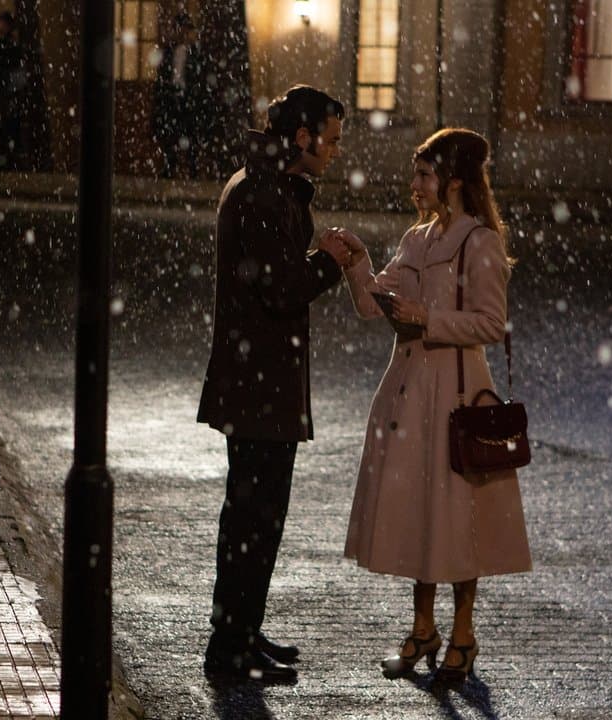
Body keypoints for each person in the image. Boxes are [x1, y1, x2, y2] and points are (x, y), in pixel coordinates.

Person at [335, 128, 532, 685]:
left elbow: (491, 324)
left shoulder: (480, 242)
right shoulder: (416, 238)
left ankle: (463, 634)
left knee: (460, 517)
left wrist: (428, 318)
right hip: (408, 391)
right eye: (416, 173)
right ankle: (423, 629)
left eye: (424, 174)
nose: (415, 184)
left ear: (454, 181)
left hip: (457, 393)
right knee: (421, 512)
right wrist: (358, 264)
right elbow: (371, 306)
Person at [196, 85, 349, 684]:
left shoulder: (268, 185)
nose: (335, 151)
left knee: (257, 518)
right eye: (330, 140)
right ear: (302, 137)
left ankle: (242, 632)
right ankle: (229, 646)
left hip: (260, 384)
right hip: (257, 387)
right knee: (253, 520)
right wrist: (328, 259)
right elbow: (282, 288)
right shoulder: (261, 192)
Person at [152, 11, 210, 179]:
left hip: (189, 97)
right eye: (180, 29)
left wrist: (195, 95)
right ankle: (170, 167)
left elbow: (200, 77)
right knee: (170, 134)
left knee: (190, 133)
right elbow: (162, 75)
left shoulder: (196, 53)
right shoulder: (168, 51)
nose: (183, 33)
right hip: (171, 96)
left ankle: (193, 168)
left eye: (186, 30)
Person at [0, 11, 26, 168]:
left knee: (5, 127)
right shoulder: (4, 45)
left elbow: (14, 72)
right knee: (2, 127)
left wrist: (10, 90)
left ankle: (4, 159)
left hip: (4, 93)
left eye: (0, 22)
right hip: (2, 92)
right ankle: (3, 158)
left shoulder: (8, 46)